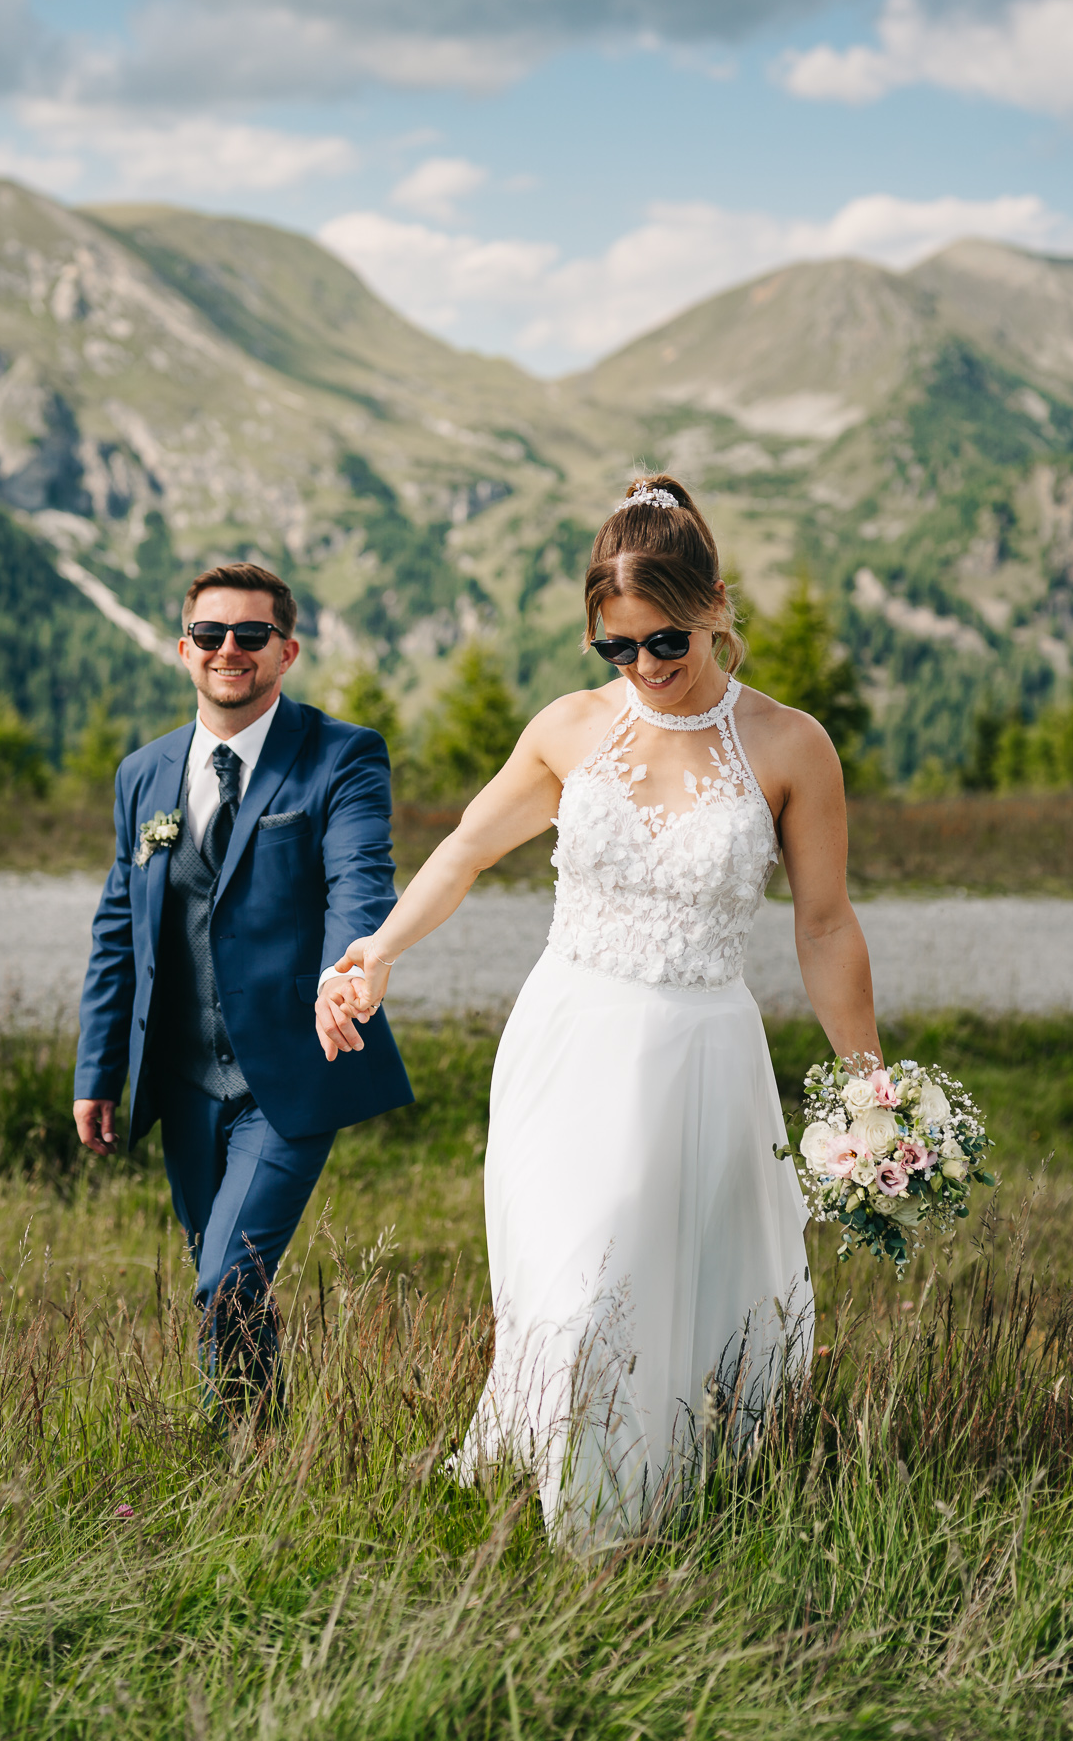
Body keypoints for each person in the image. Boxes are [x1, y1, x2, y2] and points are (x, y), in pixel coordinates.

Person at [318, 476, 882, 1545]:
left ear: (716, 605)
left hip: (701, 1056)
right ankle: (587, 1529)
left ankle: (677, 1508)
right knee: (575, 1292)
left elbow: (823, 925)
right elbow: (466, 849)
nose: (645, 667)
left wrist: (868, 1086)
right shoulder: (570, 729)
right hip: (569, 1043)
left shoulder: (790, 744)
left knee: (674, 1292)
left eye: (665, 641)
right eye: (616, 647)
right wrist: (376, 954)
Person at [74, 562, 412, 1412]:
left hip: (294, 1068)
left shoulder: (342, 754)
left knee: (226, 1275)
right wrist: (97, 1070)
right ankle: (250, 1453)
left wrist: (344, 975)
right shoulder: (142, 774)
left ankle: (235, 1445)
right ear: (183, 649)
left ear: (285, 651)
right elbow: (117, 930)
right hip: (183, 1076)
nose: (230, 648)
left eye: (251, 634)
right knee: (226, 1279)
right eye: (210, 633)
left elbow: (360, 883)